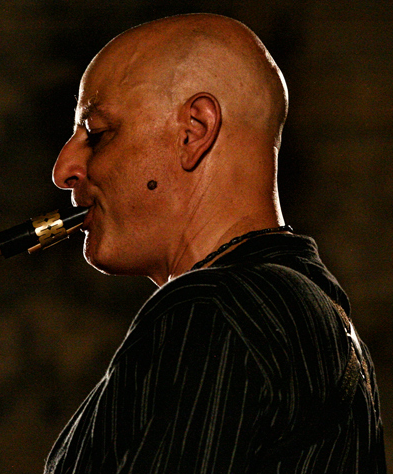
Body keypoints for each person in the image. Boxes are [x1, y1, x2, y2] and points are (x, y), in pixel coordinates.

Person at [46, 13, 385, 473]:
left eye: (98, 133)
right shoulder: (307, 310)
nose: (63, 169)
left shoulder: (215, 309)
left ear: (195, 130)